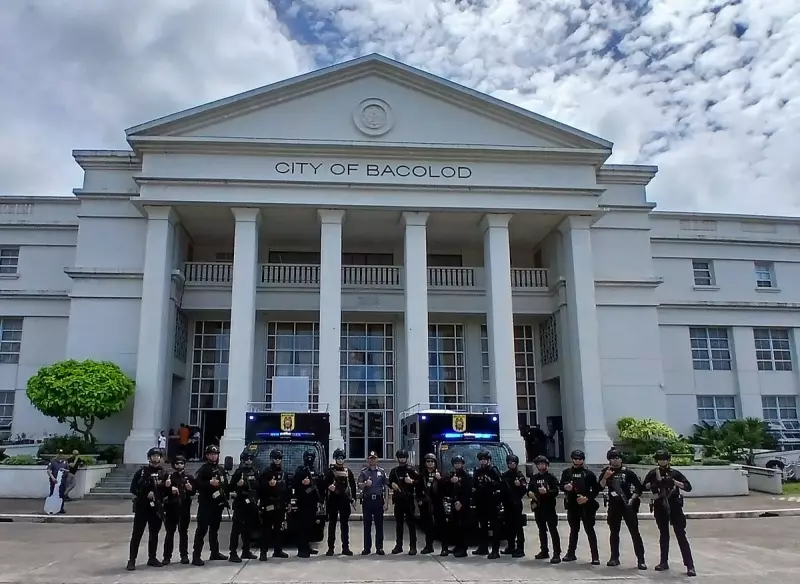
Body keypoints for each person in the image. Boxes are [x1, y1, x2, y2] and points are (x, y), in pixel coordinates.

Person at [644, 450, 696, 576]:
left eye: (664, 459)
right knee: (664, 535)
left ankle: (690, 565)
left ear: (668, 460)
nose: (662, 461)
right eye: (660, 459)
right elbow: (643, 486)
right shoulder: (653, 473)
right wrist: (655, 484)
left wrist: (674, 482)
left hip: (674, 506)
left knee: (681, 535)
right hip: (660, 506)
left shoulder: (675, 473)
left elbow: (688, 487)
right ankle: (663, 562)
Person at [599, 449, 647, 570]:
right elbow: (599, 486)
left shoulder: (628, 472)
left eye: (618, 457)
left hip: (628, 505)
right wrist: (605, 477)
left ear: (621, 459)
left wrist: (633, 499)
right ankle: (614, 558)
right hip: (614, 505)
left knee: (634, 533)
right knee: (614, 532)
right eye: (613, 458)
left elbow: (638, 487)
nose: (615, 460)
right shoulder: (606, 471)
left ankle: (641, 560)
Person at [126, 447, 169, 571]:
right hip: (142, 507)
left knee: (154, 533)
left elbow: (166, 492)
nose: (156, 458)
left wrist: (167, 487)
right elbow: (133, 489)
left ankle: (152, 558)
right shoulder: (142, 472)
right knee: (137, 534)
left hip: (156, 507)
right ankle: (132, 560)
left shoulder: (163, 473)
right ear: (149, 457)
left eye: (158, 456)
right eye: (153, 455)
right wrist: (145, 494)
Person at [559, 449, 600, 564]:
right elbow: (561, 485)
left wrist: (587, 498)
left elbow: (596, 489)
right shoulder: (567, 472)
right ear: (572, 459)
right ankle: (571, 553)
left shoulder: (589, 474)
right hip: (572, 505)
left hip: (586, 506)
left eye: (579, 459)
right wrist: (565, 487)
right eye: (575, 459)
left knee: (590, 531)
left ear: (583, 460)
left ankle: (595, 556)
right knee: (574, 530)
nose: (577, 461)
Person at [191, 445, 230, 566]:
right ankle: (196, 556)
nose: (214, 456)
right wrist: (209, 483)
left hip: (217, 505)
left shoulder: (221, 469)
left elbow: (225, 485)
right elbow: (196, 484)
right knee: (202, 530)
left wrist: (225, 498)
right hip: (205, 504)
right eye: (211, 454)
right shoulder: (203, 469)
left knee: (214, 530)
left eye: (216, 454)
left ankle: (215, 552)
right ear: (207, 455)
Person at [257, 448, 290, 561]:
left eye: (279, 458)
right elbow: (260, 488)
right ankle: (263, 552)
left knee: (278, 528)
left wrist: (287, 502)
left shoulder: (283, 472)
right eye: (275, 458)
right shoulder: (266, 472)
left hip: (280, 503)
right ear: (271, 459)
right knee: (266, 529)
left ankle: (278, 550)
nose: (277, 460)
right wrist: (268, 485)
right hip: (269, 503)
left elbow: (286, 489)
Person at [528, 455, 561, 563]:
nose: (541, 466)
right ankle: (544, 550)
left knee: (553, 530)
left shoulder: (551, 477)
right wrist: (530, 493)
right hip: (538, 507)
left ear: (547, 465)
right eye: (539, 464)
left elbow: (556, 491)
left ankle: (556, 553)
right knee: (542, 530)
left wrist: (546, 492)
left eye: (543, 464)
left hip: (549, 507)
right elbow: (529, 489)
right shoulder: (534, 477)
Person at [323, 447, 356, 556]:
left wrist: (354, 498)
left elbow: (352, 485)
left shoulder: (348, 471)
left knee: (344, 525)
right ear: (335, 459)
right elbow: (324, 484)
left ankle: (345, 547)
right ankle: (330, 548)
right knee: (332, 524)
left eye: (342, 458)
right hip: (333, 500)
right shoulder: (330, 472)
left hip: (344, 501)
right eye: (338, 458)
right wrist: (329, 487)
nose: (340, 460)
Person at [162, 454, 194, 565]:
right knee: (170, 533)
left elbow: (193, 492)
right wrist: (168, 487)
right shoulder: (169, 477)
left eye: (181, 463)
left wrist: (190, 489)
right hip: (171, 508)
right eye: (177, 463)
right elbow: (163, 493)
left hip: (184, 508)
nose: (179, 465)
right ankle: (167, 557)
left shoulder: (189, 477)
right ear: (173, 465)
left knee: (183, 533)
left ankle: (184, 555)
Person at [229, 450, 260, 562]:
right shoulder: (238, 472)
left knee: (248, 530)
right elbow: (230, 487)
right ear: (242, 460)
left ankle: (246, 551)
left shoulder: (255, 472)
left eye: (251, 459)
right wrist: (237, 485)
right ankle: (233, 553)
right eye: (246, 459)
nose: (248, 461)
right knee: (236, 530)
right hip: (240, 504)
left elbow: (259, 487)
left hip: (251, 504)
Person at [472, 450, 503, 559]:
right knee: (482, 526)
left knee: (495, 527)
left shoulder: (493, 470)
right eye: (481, 459)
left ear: (489, 460)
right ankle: (483, 547)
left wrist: (491, 481)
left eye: (485, 459)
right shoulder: (478, 471)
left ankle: (495, 550)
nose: (483, 461)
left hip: (492, 502)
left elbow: (500, 484)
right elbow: (474, 486)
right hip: (481, 502)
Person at [388, 448, 419, 555]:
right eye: (400, 457)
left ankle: (413, 547)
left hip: (409, 500)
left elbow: (420, 483)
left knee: (411, 524)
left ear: (407, 458)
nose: (402, 459)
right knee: (399, 524)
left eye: (404, 457)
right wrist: (392, 485)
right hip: (398, 501)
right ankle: (398, 545)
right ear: (397, 458)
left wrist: (412, 482)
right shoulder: (394, 471)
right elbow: (389, 482)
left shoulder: (411, 470)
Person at [293, 450, 323, 558]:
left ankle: (307, 547)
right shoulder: (301, 470)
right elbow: (294, 484)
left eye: (311, 457)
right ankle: (301, 550)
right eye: (308, 457)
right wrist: (302, 483)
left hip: (313, 503)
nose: (309, 459)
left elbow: (319, 485)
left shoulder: (314, 470)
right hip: (303, 503)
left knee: (310, 526)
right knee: (302, 527)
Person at [357, 451, 387, 555]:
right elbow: (359, 485)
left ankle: (379, 547)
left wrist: (386, 501)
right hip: (368, 500)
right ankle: (367, 548)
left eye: (374, 458)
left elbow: (386, 487)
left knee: (379, 525)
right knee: (367, 525)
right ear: (368, 459)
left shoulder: (382, 471)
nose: (372, 460)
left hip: (378, 500)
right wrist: (365, 484)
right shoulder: (364, 472)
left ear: (377, 459)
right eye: (370, 458)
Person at [416, 453, 446, 555]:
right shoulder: (422, 475)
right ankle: (429, 546)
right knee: (427, 526)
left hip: (437, 503)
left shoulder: (440, 474)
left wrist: (440, 479)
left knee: (441, 526)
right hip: (425, 504)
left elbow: (446, 489)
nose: (430, 463)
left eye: (432, 461)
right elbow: (418, 489)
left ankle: (444, 548)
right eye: (428, 461)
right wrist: (419, 499)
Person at [444, 454, 471, 558]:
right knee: (455, 526)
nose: (457, 465)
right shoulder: (452, 474)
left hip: (463, 504)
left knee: (463, 527)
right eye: (455, 463)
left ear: (463, 464)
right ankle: (457, 546)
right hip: (453, 502)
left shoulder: (466, 475)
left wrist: (462, 502)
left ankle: (463, 549)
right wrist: (450, 481)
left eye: (459, 463)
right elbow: (446, 486)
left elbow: (468, 491)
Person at [501, 453, 527, 557]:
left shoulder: (519, 475)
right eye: (509, 463)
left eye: (513, 463)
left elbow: (524, 489)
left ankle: (520, 548)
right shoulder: (505, 475)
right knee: (508, 526)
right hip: (507, 504)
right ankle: (510, 546)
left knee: (518, 527)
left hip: (516, 503)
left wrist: (519, 486)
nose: (511, 464)